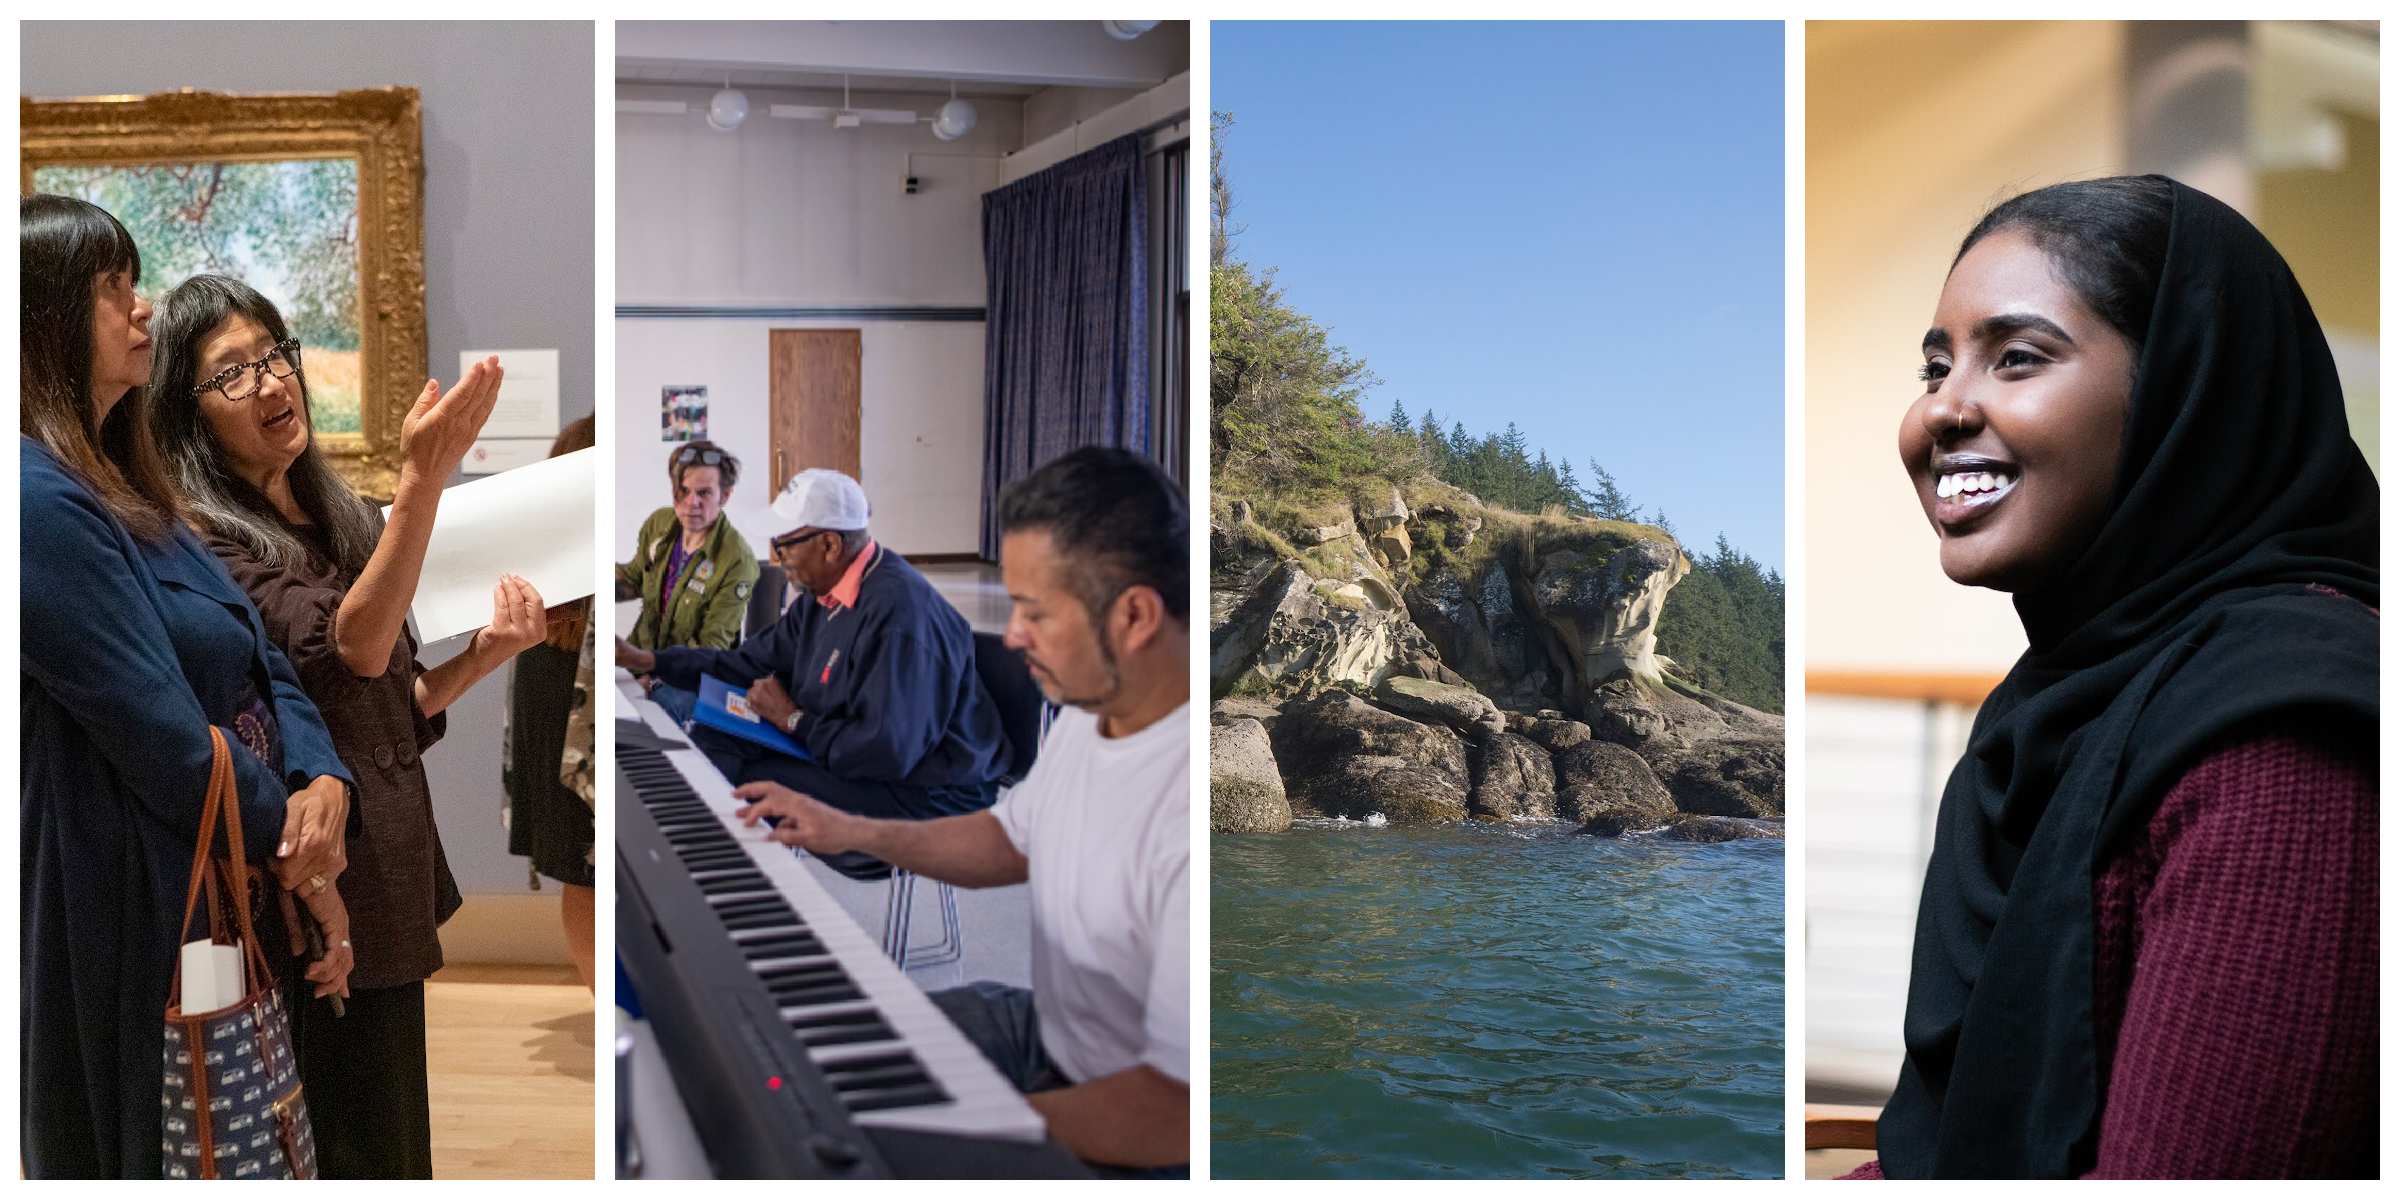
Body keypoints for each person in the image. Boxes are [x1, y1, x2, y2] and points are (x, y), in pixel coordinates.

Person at [1864, 177, 2377, 1178]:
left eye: (2018, 357)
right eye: (1935, 367)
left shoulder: (2283, 733)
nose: (1944, 409)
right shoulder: (2053, 712)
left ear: (2187, 392)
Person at [147, 274, 552, 1179]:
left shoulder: (330, 508)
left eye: (274, 354)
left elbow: (386, 698)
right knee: (344, 1133)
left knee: (394, 1121)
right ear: (187, 409)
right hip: (313, 873)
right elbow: (355, 651)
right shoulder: (206, 537)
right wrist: (421, 480)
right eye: (232, 373)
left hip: (391, 860)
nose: (270, 382)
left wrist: (487, 651)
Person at [731, 448, 1190, 1174]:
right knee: (787, 1064)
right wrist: (847, 829)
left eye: (1035, 613)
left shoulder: (1185, 810)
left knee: (832, 1131)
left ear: (1134, 615)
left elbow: (1176, 1117)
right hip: (1047, 1030)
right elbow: (1011, 839)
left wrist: (957, 1120)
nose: (1009, 637)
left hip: (1124, 1109)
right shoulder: (1093, 710)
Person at [20, 196, 354, 1178]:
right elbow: (163, 737)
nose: (142, 307)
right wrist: (306, 856)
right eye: (113, 289)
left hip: (224, 869)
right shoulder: (37, 502)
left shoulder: (131, 484)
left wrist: (321, 777)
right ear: (45, 320)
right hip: (140, 890)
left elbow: (265, 661)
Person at [616, 468, 1006, 821]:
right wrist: (652, 659)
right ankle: (682, 865)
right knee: (715, 741)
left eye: (784, 545)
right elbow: (746, 662)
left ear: (830, 545)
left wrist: (792, 721)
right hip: (860, 754)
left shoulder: (900, 618)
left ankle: (717, 878)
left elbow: (887, 752)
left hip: (929, 790)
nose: (777, 558)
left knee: (750, 783)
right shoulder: (822, 596)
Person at [507, 415, 599, 992]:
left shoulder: (542, 549)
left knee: (578, 870)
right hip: (573, 693)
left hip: (553, 684)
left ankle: (604, 1002)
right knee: (584, 868)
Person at [616, 440, 758, 725]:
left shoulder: (737, 561)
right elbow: (633, 579)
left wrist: (653, 675)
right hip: (638, 661)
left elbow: (711, 647)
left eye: (704, 493)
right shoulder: (659, 525)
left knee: (643, 719)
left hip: (690, 680)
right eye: (684, 491)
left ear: (725, 496)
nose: (692, 503)